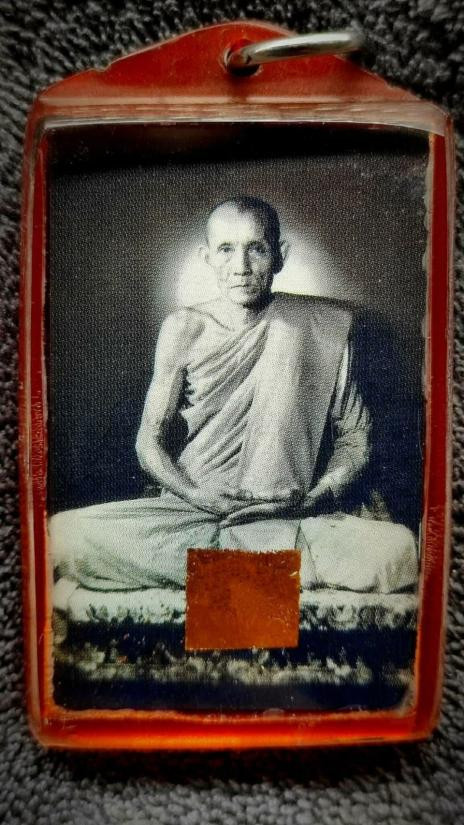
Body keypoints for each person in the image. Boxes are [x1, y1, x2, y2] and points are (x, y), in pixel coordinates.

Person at [50, 196, 418, 594]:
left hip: (287, 514)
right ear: (207, 257)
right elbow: (148, 444)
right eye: (226, 249)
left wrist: (316, 496)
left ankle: (226, 569)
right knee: (66, 535)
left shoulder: (321, 327)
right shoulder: (184, 328)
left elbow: (355, 439)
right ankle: (267, 571)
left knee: (398, 550)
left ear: (280, 255)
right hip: (192, 512)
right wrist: (199, 496)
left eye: (256, 249)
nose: (240, 266)